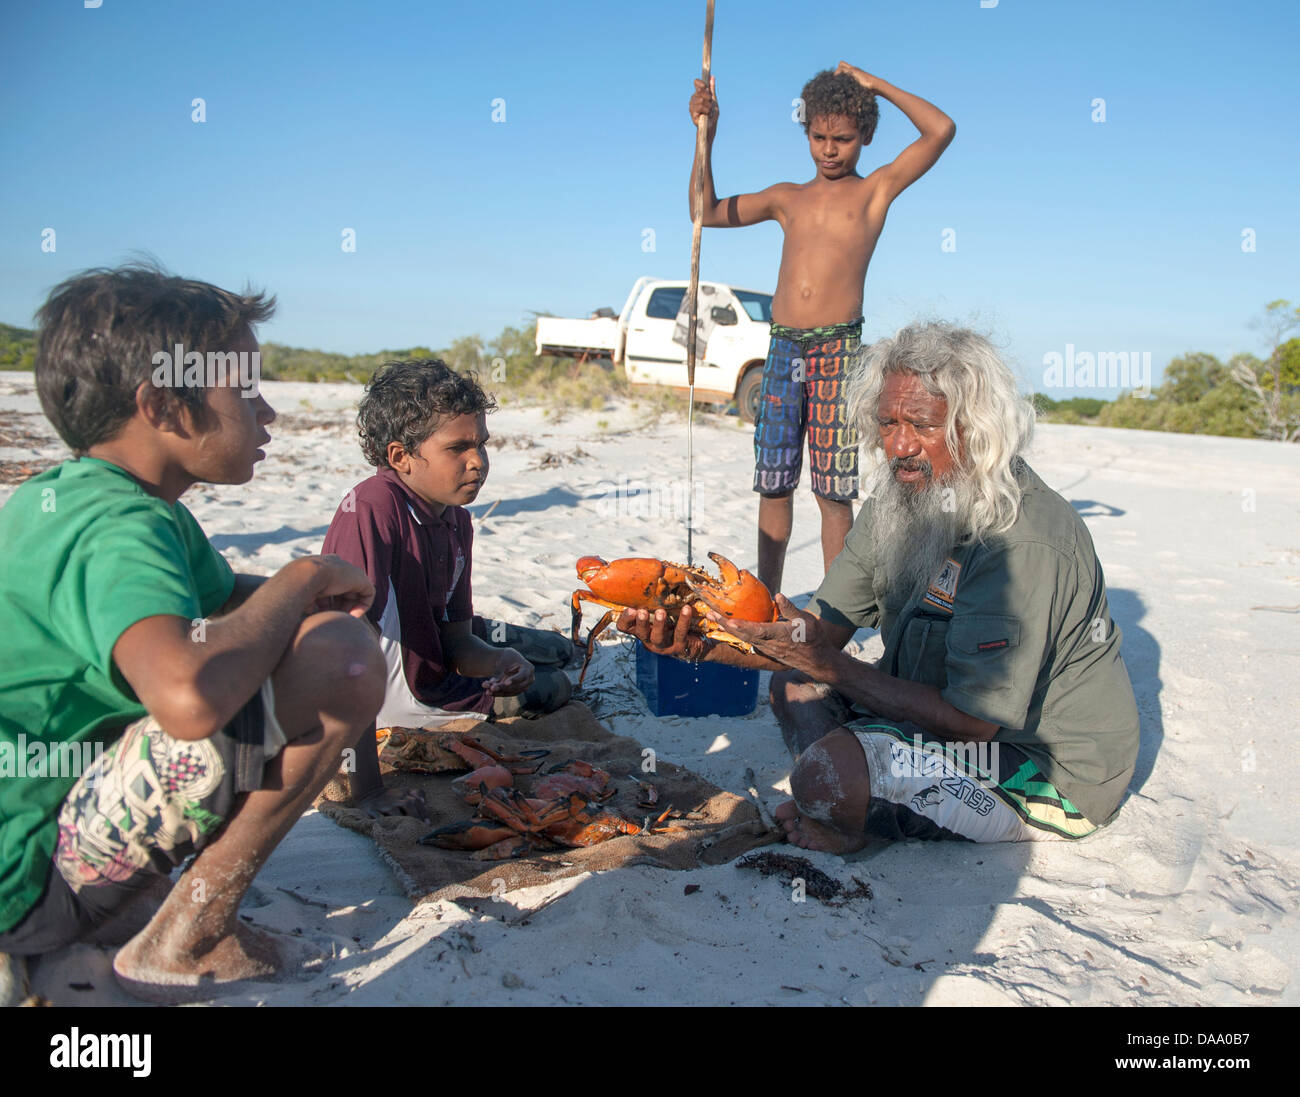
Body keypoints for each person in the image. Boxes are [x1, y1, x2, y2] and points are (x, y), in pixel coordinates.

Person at [0, 263, 392, 1002]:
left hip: (35, 842)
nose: (267, 411)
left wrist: (296, 595)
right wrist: (301, 580)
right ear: (165, 407)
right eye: (246, 390)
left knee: (309, 631)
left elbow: (218, 607)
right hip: (26, 879)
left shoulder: (75, 497)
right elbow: (188, 696)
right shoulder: (118, 526)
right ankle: (191, 931)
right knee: (341, 660)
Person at [620, 322, 1141, 850]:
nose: (898, 445)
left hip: (1041, 764)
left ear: (978, 427)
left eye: (922, 425)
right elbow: (814, 636)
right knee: (793, 688)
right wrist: (704, 644)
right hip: (950, 720)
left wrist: (830, 670)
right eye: (887, 422)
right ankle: (853, 784)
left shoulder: (1018, 541)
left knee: (831, 768)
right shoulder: (900, 502)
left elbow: (976, 722)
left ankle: (852, 803)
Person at [689, 62, 956, 593]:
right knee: (773, 483)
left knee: (833, 492)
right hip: (784, 346)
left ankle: (834, 613)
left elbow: (940, 129)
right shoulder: (787, 197)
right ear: (806, 130)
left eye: (844, 139)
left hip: (840, 349)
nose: (830, 150)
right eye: (818, 136)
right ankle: (765, 597)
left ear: (865, 137)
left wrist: (874, 83)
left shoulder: (875, 191)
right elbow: (705, 210)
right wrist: (706, 136)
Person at [321, 359, 573, 808]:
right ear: (400, 457)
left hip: (435, 652)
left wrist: (497, 660)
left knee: (556, 650)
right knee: (556, 688)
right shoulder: (372, 508)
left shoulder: (456, 519)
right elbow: (343, 658)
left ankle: (511, 647)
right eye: (458, 448)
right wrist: (367, 790)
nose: (478, 462)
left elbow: (456, 640)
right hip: (407, 696)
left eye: (481, 445)